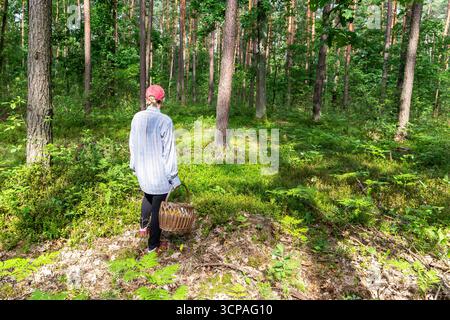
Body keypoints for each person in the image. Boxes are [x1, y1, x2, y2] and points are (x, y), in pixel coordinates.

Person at [129, 85, 181, 253]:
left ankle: (143, 228)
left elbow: (132, 144)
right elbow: (169, 152)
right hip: (159, 175)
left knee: (147, 195)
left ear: (146, 99)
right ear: (162, 100)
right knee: (158, 209)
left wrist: (134, 165)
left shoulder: (137, 117)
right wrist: (174, 177)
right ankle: (152, 246)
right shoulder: (165, 120)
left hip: (143, 172)